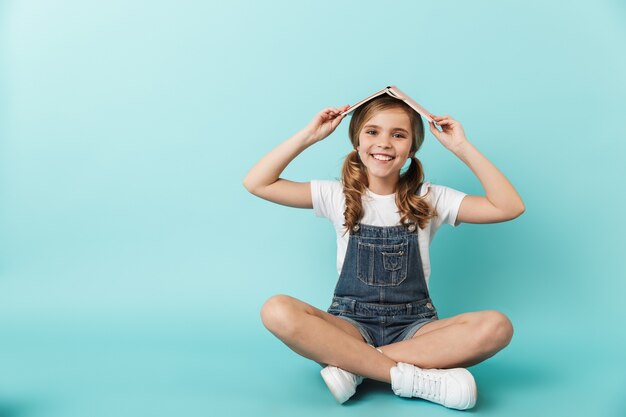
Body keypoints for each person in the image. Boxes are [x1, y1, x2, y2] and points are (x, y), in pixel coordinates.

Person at [242, 94, 525, 410]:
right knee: (276, 309)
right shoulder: (335, 194)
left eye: (398, 134)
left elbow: (509, 206)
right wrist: (311, 135)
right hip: (350, 325)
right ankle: (414, 379)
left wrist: (461, 147)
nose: (385, 143)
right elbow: (257, 183)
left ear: (411, 149)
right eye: (372, 131)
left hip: (414, 327)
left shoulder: (430, 198)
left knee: (497, 326)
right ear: (357, 142)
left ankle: (356, 366)